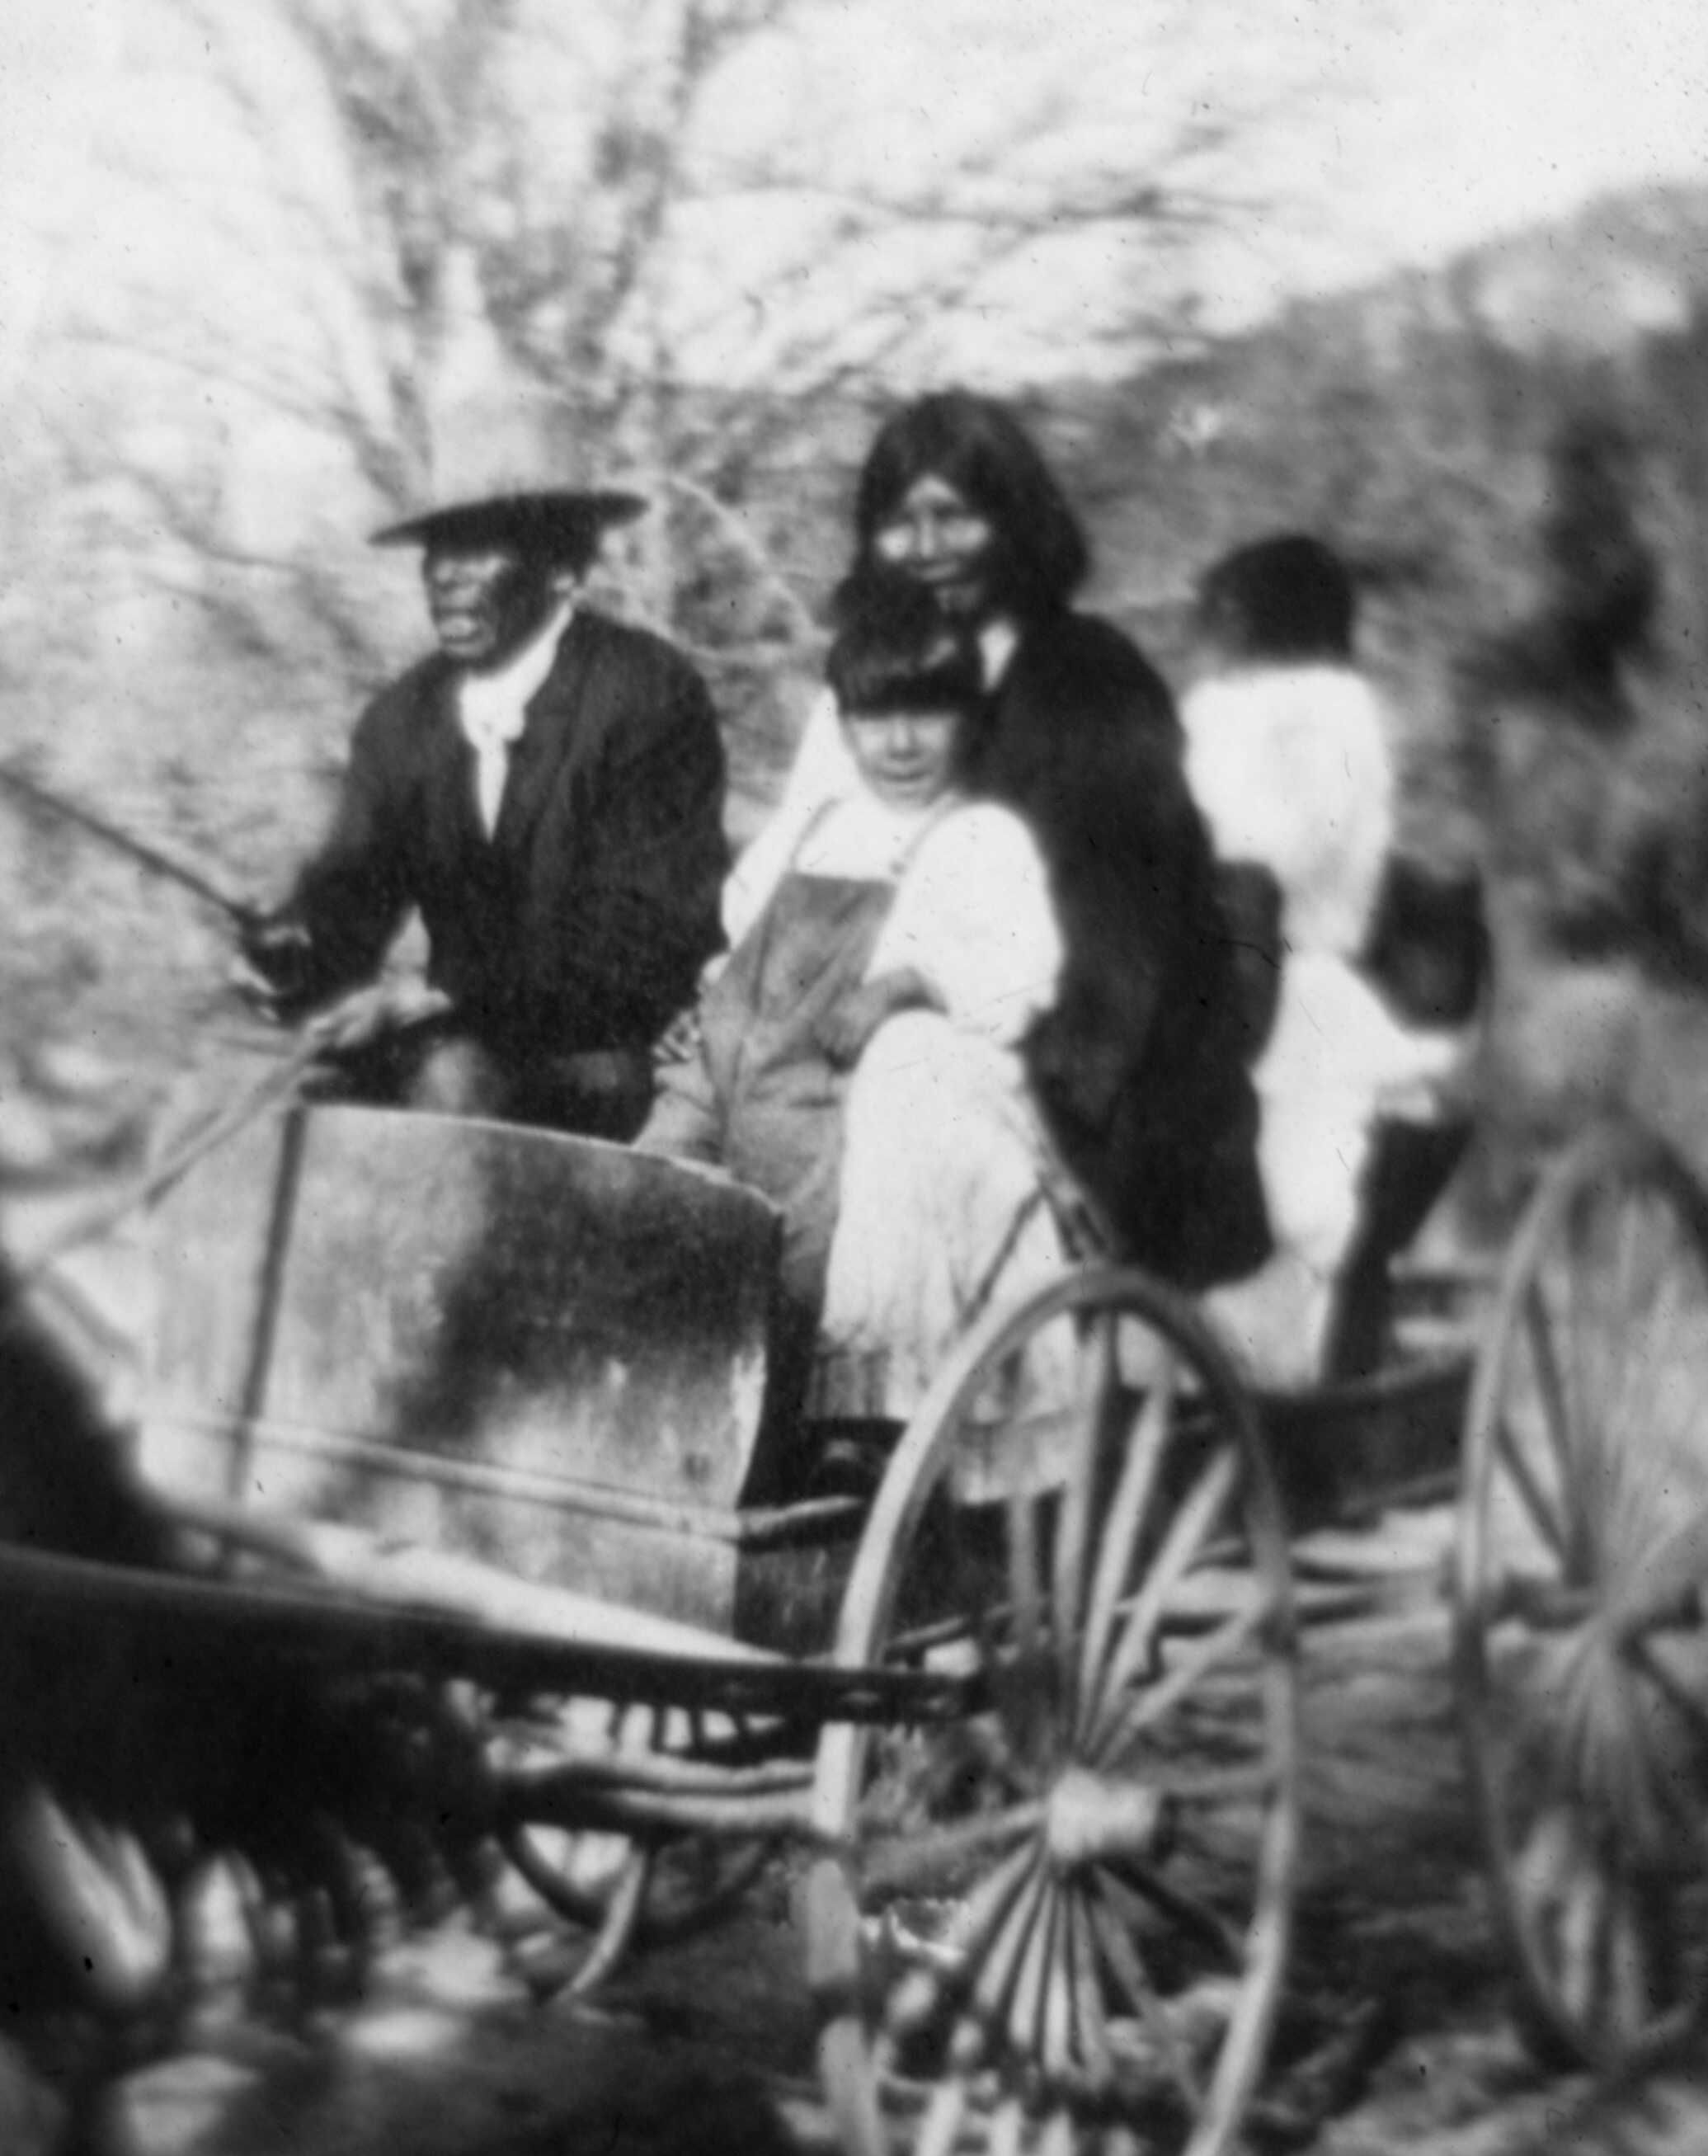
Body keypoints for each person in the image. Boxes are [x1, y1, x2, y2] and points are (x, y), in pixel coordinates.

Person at [725, 391, 1268, 1290]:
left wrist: (1043, 1095)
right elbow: (800, 879)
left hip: (1093, 1076)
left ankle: (881, 1354)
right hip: (884, 1050)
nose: (926, 547)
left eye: (953, 516)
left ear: (1014, 522)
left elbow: (1119, 952)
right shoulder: (862, 693)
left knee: (909, 1077)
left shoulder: (1092, 681)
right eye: (900, 523)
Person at [638, 571, 1067, 1435]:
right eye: (875, 719)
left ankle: (789, 1447)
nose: (900, 744)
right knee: (640, 1206)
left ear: (970, 720)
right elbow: (743, 939)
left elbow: (1020, 973)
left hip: (831, 1114)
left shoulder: (977, 836)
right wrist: (709, 1003)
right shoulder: (814, 824)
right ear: (843, 725)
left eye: (927, 716)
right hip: (727, 1077)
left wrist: (913, 982)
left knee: (793, 1282)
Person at [240, 486, 728, 1142]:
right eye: (436, 551)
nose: (443, 573)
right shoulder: (400, 718)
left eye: (476, 549)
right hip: (448, 1046)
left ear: (563, 569)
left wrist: (436, 996)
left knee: (450, 1080)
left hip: (612, 1059)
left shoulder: (646, 690)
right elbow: (351, 904)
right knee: (258, 1096)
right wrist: (291, 951)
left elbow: (640, 945)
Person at [1182, 534, 1468, 1384]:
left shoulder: (1325, 713)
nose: (1215, 640)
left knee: (1286, 1194)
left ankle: (1270, 1380)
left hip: (1289, 974)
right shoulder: (1225, 712)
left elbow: (1291, 845)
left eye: (1227, 620)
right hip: (1218, 964)